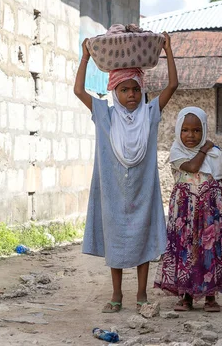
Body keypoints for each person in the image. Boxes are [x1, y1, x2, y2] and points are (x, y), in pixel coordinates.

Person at [74, 31, 178, 313]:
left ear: (142, 90)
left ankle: (141, 295)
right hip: (113, 193)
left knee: (142, 241)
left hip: (142, 191)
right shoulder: (104, 115)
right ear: (114, 92)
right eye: (124, 90)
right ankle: (117, 294)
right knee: (116, 241)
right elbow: (79, 91)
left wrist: (168, 51)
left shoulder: (150, 113)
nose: (130, 95)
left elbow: (173, 85)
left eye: (135, 89)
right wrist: (85, 57)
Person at [154, 107, 222, 312]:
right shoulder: (177, 151)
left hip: (212, 209)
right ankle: (186, 296)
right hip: (184, 210)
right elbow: (193, 168)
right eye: (185, 130)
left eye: (196, 131)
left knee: (209, 250)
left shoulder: (216, 154)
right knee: (185, 249)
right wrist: (204, 149)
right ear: (178, 131)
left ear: (203, 131)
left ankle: (210, 296)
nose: (190, 135)